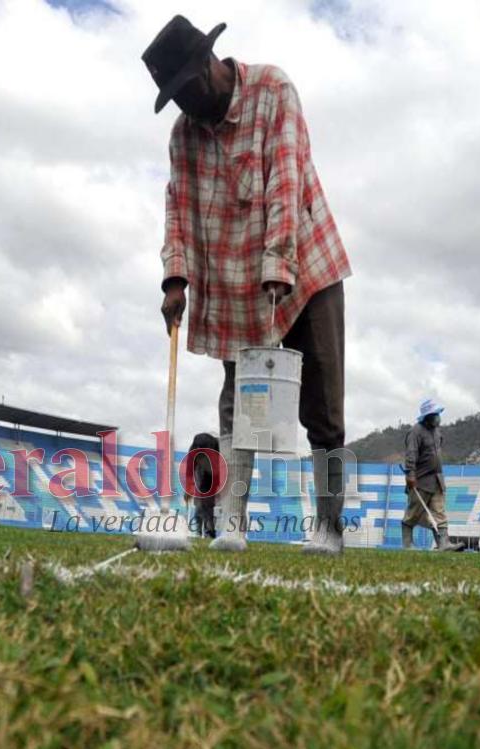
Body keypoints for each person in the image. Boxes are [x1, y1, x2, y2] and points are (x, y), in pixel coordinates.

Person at [143, 16, 352, 555]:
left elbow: (288, 181)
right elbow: (179, 208)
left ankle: (329, 527)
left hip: (305, 267)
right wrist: (175, 277)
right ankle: (231, 524)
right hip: (235, 275)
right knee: (240, 404)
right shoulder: (183, 135)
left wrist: (279, 265)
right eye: (177, 97)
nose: (188, 103)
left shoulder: (273, 91)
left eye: (190, 89)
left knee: (322, 408)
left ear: (211, 63)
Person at [403, 399, 463, 552]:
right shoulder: (415, 431)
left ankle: (444, 543)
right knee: (414, 512)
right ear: (427, 416)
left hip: (437, 479)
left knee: (439, 511)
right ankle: (408, 544)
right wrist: (410, 474)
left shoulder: (437, 432)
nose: (438, 417)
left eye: (438, 414)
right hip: (420, 480)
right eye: (435, 414)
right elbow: (411, 453)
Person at [185, 432, 220, 538]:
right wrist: (188, 489)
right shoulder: (193, 452)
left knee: (207, 503)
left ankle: (209, 532)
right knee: (200, 502)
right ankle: (199, 531)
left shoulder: (217, 449)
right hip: (203, 472)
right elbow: (189, 471)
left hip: (214, 471)